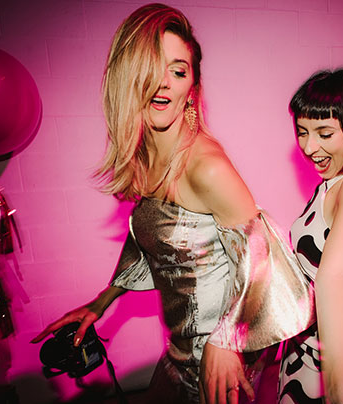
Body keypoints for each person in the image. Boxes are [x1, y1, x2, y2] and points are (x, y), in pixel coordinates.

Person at [31, 4, 313, 404]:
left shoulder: (206, 168)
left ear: (192, 87)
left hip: (219, 357)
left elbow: (266, 263)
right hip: (181, 348)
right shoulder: (146, 157)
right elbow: (157, 243)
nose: (164, 83)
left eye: (178, 71)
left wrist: (228, 341)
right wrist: (101, 302)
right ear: (128, 76)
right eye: (152, 68)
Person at [277, 69, 343, 404]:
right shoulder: (329, 183)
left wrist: (341, 396)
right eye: (302, 132)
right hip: (301, 349)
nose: (310, 147)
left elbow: (336, 274)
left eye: (324, 134)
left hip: (324, 362)